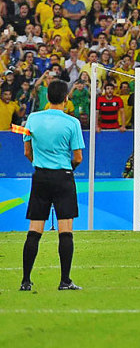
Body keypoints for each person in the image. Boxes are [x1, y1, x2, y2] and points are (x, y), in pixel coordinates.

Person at [18, 79, 85, 291]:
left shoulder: (32, 119)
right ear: (66, 98)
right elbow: (78, 157)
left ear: (47, 97)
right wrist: (67, 169)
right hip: (63, 177)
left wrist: (39, 164)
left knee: (34, 230)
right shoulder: (72, 123)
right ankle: (65, 281)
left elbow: (27, 151)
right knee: (65, 230)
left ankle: (25, 281)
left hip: (41, 176)